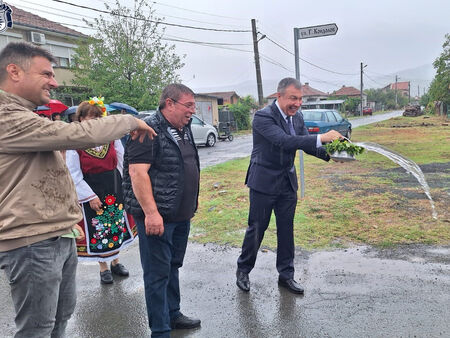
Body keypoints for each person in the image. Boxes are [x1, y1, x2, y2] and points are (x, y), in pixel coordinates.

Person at [0, 42, 156, 338]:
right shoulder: (6, 117)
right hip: (30, 241)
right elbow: (75, 135)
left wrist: (67, 214)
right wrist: (129, 120)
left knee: (59, 320)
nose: (54, 82)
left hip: (55, 233)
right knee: (37, 329)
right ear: (14, 71)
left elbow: (49, 176)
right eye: (46, 73)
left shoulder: (27, 115)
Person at [236, 77, 343, 295]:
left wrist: (332, 155)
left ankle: (286, 276)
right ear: (279, 96)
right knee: (257, 229)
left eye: (300, 99)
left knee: (286, 230)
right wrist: (322, 137)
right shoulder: (263, 117)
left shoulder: (298, 117)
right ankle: (243, 270)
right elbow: (284, 141)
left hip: (287, 182)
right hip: (263, 182)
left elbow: (304, 142)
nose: (297, 103)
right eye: (293, 98)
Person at [123, 83, 201, 337]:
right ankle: (160, 329)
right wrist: (151, 213)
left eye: (193, 104)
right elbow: (137, 173)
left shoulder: (183, 128)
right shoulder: (147, 130)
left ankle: (173, 314)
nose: (193, 110)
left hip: (180, 214)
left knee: (172, 266)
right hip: (158, 217)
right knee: (157, 274)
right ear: (169, 103)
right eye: (188, 105)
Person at [66, 99, 137, 284]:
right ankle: (103, 267)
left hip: (113, 187)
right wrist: (89, 196)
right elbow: (73, 173)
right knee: (98, 228)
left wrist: (125, 185)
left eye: (99, 117)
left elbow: (122, 161)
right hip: (92, 189)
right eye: (92, 117)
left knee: (114, 226)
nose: (96, 121)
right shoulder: (76, 143)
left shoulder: (110, 138)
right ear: (81, 119)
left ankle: (115, 262)